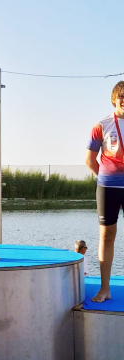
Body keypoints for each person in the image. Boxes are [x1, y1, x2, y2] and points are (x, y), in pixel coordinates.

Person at [86, 80, 124, 302]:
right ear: (114, 99)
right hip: (108, 187)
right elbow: (89, 160)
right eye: (122, 96)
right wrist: (106, 176)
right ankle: (105, 289)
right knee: (106, 236)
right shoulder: (101, 125)